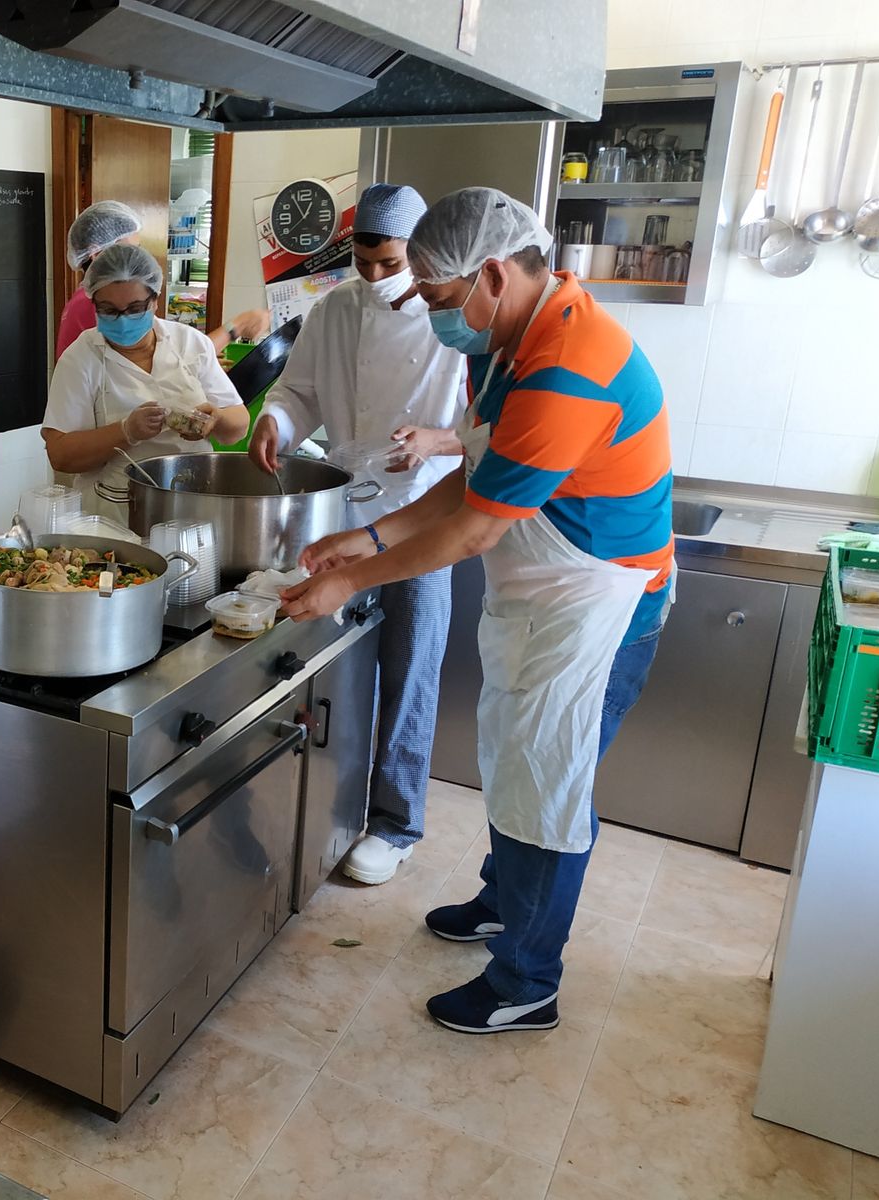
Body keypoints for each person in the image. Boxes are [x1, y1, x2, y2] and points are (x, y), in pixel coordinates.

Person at [282, 187, 673, 1035]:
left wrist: (355, 578)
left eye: (437, 296)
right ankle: (505, 905)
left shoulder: (568, 363)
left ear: (491, 275)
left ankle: (526, 983)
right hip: (547, 599)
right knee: (515, 762)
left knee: (548, 786)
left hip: (599, 606)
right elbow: (478, 475)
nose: (430, 313)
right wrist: (373, 534)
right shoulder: (518, 339)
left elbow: (472, 531)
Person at [248, 182, 466, 888]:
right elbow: (300, 390)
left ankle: (396, 823)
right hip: (341, 513)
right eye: (365, 263)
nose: (375, 279)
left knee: (409, 671)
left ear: (419, 256)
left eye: (391, 264)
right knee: (332, 665)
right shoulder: (334, 309)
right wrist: (275, 423)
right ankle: (333, 801)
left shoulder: (453, 322)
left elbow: (487, 428)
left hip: (421, 513)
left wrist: (438, 440)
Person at [43, 243, 250, 517]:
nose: (123, 320)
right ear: (93, 304)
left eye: (135, 308)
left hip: (193, 502)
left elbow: (239, 425)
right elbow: (60, 455)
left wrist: (215, 420)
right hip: (115, 512)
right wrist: (127, 431)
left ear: (155, 300)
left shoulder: (190, 343)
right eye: (109, 310)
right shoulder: (81, 358)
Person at [58, 199, 271, 360]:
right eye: (130, 251)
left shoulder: (84, 300)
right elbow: (175, 358)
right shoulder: (96, 306)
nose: (138, 260)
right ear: (97, 256)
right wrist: (237, 326)